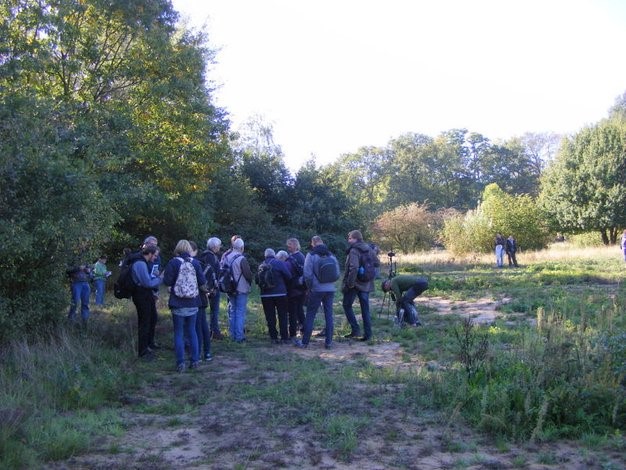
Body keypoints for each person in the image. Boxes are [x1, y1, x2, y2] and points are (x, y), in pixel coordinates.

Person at [163, 240, 207, 372]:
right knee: (192, 331)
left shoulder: (173, 263)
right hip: (193, 302)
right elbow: (202, 281)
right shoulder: (195, 263)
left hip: (177, 302)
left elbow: (167, 281)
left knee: (179, 333)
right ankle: (195, 360)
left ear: (177, 249)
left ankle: (180, 362)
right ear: (189, 249)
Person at [295, 236, 339, 349]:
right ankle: (329, 342)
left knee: (310, 315)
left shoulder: (311, 255)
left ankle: (305, 343)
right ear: (322, 242)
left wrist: (309, 288)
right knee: (329, 315)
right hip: (330, 289)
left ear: (313, 243)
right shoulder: (331, 255)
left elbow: (307, 274)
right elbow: (337, 273)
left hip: (316, 289)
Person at [130, 245, 162, 360]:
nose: (155, 259)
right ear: (150, 253)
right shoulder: (140, 264)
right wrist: (160, 278)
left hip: (146, 295)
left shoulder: (143, 263)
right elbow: (147, 283)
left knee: (152, 318)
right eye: (155, 256)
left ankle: (149, 345)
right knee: (145, 322)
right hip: (141, 296)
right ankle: (143, 351)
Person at [342, 230, 375, 341]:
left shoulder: (354, 250)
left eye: (350, 238)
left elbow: (354, 268)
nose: (348, 240)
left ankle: (355, 330)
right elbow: (377, 262)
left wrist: (350, 283)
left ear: (356, 239)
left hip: (355, 283)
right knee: (365, 309)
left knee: (346, 305)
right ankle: (368, 334)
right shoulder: (369, 248)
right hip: (366, 283)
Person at [257, 248, 292, 344]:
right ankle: (284, 337)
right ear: (274, 254)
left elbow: (257, 280)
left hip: (265, 295)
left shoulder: (261, 265)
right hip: (280, 293)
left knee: (270, 316)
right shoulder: (279, 263)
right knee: (283, 315)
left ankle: (273, 337)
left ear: (265, 255)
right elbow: (288, 276)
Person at [222, 237, 253, 343]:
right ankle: (239, 337)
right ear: (242, 248)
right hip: (240, 288)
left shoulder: (226, 257)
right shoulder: (241, 259)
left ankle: (232, 335)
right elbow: (248, 274)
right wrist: (250, 282)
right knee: (240, 312)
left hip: (229, 288)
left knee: (232, 311)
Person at [190, 241, 212, 362]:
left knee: (197, 327)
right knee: (203, 326)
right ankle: (207, 352)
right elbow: (204, 283)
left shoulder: (191, 263)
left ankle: (197, 353)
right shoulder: (200, 263)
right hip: (202, 298)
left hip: (194, 299)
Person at [200, 237, 223, 339]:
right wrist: (212, 288)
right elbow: (212, 273)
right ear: (214, 246)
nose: (220, 247)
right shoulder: (212, 257)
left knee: (204, 310)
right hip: (212, 288)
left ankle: (206, 330)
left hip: (203, 286)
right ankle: (214, 331)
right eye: (219, 245)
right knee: (214, 310)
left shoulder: (202, 255)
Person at [141, 236, 162, 350]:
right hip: (144, 290)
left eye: (156, 245)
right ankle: (144, 347)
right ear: (146, 244)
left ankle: (151, 342)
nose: (154, 247)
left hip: (153, 288)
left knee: (153, 317)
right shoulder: (141, 258)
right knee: (146, 319)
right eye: (152, 245)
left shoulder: (157, 257)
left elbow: (157, 270)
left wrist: (156, 289)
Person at [285, 238, 307, 339]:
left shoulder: (294, 258)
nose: (287, 247)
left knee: (293, 312)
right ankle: (304, 330)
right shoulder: (302, 256)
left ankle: (293, 333)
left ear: (294, 245)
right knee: (299, 310)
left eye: (289, 245)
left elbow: (288, 273)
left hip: (294, 288)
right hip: (301, 288)